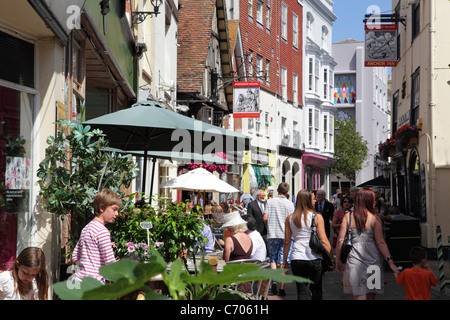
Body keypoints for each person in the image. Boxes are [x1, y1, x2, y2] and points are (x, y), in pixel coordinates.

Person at [336, 187, 399, 300]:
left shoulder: (348, 217)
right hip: (373, 261)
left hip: (354, 261)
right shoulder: (374, 219)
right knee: (371, 296)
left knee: (359, 294)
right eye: (373, 199)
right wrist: (391, 262)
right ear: (367, 200)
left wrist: (338, 260)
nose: (375, 202)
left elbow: (340, 240)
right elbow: (380, 242)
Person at [282, 189, 334, 300]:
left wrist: (285, 261)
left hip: (297, 258)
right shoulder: (317, 217)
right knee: (316, 290)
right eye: (313, 198)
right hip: (314, 258)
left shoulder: (290, 218)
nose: (315, 200)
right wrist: (331, 258)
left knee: (302, 291)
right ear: (307, 200)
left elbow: (286, 242)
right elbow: (324, 240)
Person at [72, 189, 121, 284]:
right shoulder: (102, 231)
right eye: (114, 209)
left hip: (78, 280)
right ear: (102, 207)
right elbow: (109, 261)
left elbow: (75, 256)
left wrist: (86, 266)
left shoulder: (86, 228)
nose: (117, 214)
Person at [263, 182, 295, 296]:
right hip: (286, 235)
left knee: (273, 259)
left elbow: (265, 217)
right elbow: (292, 221)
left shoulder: (270, 202)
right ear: (287, 192)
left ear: (277, 190)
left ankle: (273, 284)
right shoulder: (290, 204)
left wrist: (269, 225)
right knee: (284, 261)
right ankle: (282, 288)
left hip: (272, 234)